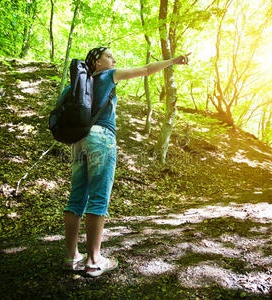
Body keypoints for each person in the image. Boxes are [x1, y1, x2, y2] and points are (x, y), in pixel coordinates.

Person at [63, 46, 190, 277]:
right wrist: (173, 60)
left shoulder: (79, 85)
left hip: (79, 141)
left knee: (77, 196)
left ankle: (71, 257)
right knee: (99, 196)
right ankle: (94, 260)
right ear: (98, 63)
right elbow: (147, 69)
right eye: (109, 56)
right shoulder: (108, 75)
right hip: (101, 138)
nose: (114, 59)